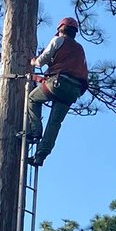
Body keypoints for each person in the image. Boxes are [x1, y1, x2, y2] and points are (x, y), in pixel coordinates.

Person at [25, 17, 89, 166]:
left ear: (60, 29)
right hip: (74, 91)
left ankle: (35, 131)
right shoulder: (79, 49)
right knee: (55, 123)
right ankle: (41, 155)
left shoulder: (58, 41)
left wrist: (33, 61)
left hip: (58, 84)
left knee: (33, 98)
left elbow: (41, 61)